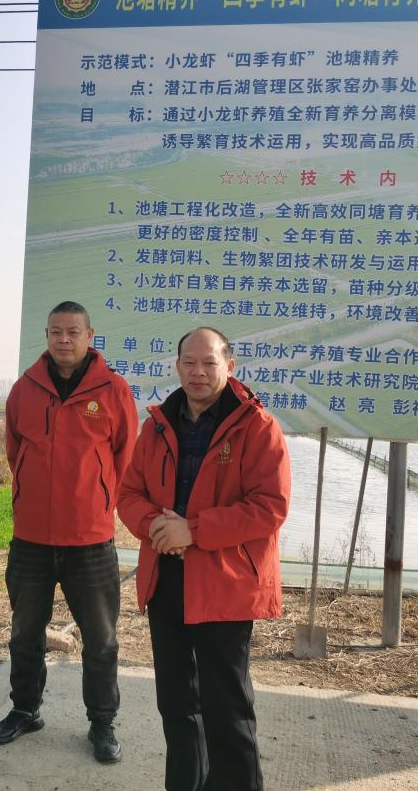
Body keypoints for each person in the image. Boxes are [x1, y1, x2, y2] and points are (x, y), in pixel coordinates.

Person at [117, 326, 291, 791]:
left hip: (225, 583)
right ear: (177, 366)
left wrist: (193, 531)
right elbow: (129, 493)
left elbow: (270, 507)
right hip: (167, 578)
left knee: (226, 707)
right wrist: (159, 529)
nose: (198, 372)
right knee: (176, 705)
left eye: (209, 363)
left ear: (229, 367)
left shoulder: (257, 427)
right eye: (189, 363)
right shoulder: (157, 426)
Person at [0, 301, 138, 763]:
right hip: (31, 538)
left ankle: (102, 723)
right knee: (24, 633)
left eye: (73, 332)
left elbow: (125, 458)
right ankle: (25, 710)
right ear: (47, 335)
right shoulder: (24, 389)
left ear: (90, 335)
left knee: (101, 639)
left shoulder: (112, 390)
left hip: (90, 541)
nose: (64, 339)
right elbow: (16, 451)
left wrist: (96, 502)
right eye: (56, 331)